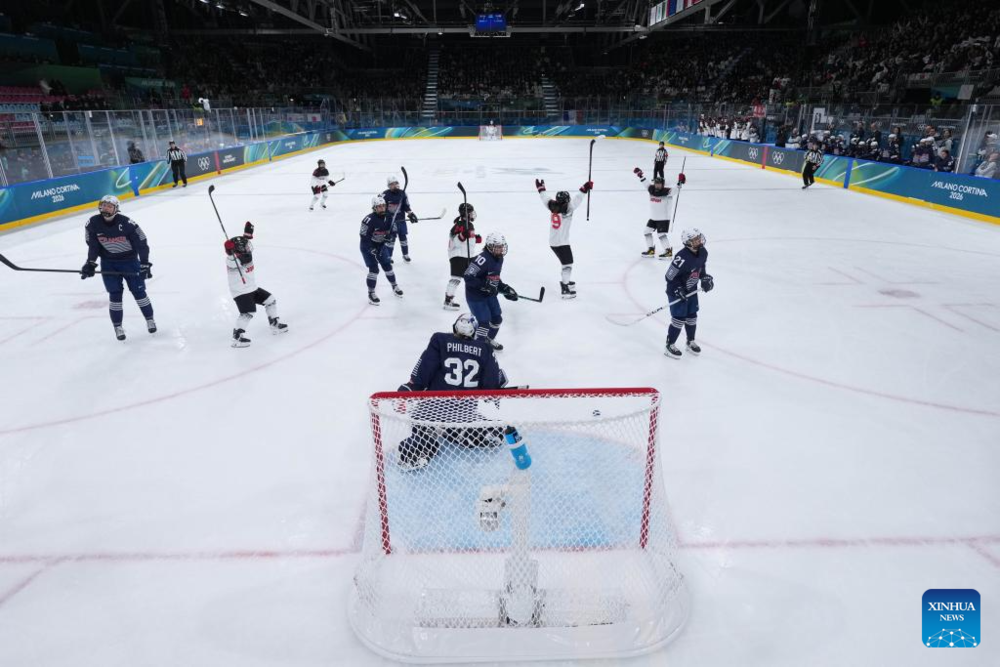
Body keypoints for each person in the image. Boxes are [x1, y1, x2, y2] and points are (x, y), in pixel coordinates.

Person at [395, 312, 510, 471]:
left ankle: (421, 446)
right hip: (462, 416)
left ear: (455, 326)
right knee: (494, 431)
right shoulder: (485, 348)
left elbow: (423, 373)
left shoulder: (439, 340)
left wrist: (409, 387)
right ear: (474, 331)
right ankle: (468, 433)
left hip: (429, 412)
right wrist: (500, 381)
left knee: (421, 436)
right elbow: (490, 389)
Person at [81, 195, 155, 341]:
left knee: (139, 292)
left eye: (109, 206)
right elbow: (93, 245)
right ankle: (118, 326)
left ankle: (150, 319)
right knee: (114, 295)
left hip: (130, 262)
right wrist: (90, 262)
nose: (105, 208)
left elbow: (142, 243)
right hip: (109, 263)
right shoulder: (93, 223)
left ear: (116, 209)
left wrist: (145, 263)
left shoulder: (127, 223)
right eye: (103, 205)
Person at [225, 222, 288, 347]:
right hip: (241, 292)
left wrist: (247, 234)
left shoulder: (245, 253)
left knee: (270, 300)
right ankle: (237, 337)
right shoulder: (233, 261)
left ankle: (274, 324)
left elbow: (243, 242)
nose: (248, 248)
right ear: (239, 250)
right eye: (246, 247)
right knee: (248, 312)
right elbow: (231, 257)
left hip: (252, 288)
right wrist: (228, 249)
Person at [535, 177, 591, 299]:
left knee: (566, 263)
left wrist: (541, 188)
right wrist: (585, 188)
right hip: (562, 243)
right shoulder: (569, 209)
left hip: (554, 242)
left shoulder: (551, 205)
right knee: (568, 264)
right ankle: (565, 288)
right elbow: (577, 200)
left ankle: (566, 281)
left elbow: (545, 198)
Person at [664, 228, 713, 359]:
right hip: (676, 292)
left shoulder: (703, 252)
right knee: (679, 319)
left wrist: (705, 278)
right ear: (688, 242)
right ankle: (670, 345)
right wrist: (677, 289)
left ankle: (690, 341)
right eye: (695, 239)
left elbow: (701, 269)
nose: (699, 240)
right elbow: (669, 277)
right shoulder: (681, 257)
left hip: (691, 290)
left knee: (692, 317)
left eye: (699, 238)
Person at [463, 232, 517, 350]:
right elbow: (468, 277)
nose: (501, 249)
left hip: (489, 294)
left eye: (502, 246)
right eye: (497, 247)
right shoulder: (482, 259)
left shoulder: (499, 258)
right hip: (475, 296)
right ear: (489, 246)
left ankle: (486, 342)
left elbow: (494, 277)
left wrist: (505, 288)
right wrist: (484, 286)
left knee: (497, 319)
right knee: (484, 322)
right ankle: (477, 348)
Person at [634, 166, 686, 259]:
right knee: (646, 232)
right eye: (656, 183)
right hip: (653, 217)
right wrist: (640, 175)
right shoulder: (651, 189)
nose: (657, 185)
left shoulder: (667, 192)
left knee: (661, 234)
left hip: (663, 218)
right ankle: (650, 250)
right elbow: (645, 183)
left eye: (659, 184)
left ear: (662, 184)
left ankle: (668, 251)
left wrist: (680, 182)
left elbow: (676, 189)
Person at [360, 194, 403, 305]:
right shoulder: (368, 220)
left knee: (388, 266)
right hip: (367, 247)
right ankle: (371, 293)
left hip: (380, 245)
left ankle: (394, 286)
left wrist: (390, 236)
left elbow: (393, 231)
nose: (382, 208)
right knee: (374, 269)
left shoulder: (389, 217)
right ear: (374, 208)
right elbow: (364, 237)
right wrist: (371, 249)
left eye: (383, 206)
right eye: (379, 206)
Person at [444, 202, 482, 310]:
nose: (472, 214)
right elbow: (454, 241)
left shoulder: (468, 225)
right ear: (465, 213)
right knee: (456, 278)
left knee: (473, 276)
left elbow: (468, 240)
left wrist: (475, 237)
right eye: (470, 212)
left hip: (466, 255)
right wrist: (463, 235)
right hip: (458, 255)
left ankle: (477, 297)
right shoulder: (460, 225)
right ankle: (448, 300)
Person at [383, 174, 418, 262]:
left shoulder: (402, 193)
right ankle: (388, 257)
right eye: (392, 184)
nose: (394, 186)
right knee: (391, 239)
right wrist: (385, 217)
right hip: (390, 221)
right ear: (389, 186)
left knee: (403, 238)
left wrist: (410, 214)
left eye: (395, 183)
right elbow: (381, 208)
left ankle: (405, 255)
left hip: (401, 220)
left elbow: (406, 206)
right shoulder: (384, 195)